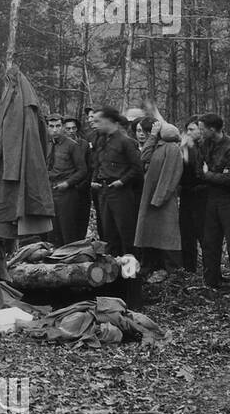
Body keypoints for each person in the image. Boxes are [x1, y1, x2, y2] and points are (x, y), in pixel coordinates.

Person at [197, 113, 230, 300]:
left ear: (212, 129)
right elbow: (199, 171)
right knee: (210, 242)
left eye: (202, 128)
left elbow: (229, 179)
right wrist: (211, 174)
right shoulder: (205, 145)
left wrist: (209, 174)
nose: (200, 132)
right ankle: (211, 282)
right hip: (212, 199)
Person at [133, 118, 183, 283]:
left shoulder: (172, 148)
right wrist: (152, 137)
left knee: (167, 234)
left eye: (145, 132)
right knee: (150, 233)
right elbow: (143, 156)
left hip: (163, 199)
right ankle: (149, 267)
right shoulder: (155, 145)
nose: (143, 135)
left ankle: (172, 272)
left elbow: (171, 175)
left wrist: (159, 198)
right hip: (150, 197)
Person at [89, 108, 143, 256]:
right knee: (109, 235)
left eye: (98, 121)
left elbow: (137, 168)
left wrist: (122, 181)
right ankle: (114, 274)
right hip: (104, 192)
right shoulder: (101, 140)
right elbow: (97, 164)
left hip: (121, 193)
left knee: (126, 234)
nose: (96, 124)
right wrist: (95, 180)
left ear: (109, 121)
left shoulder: (125, 142)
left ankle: (131, 275)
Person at [46, 114, 88, 244]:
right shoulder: (46, 144)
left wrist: (68, 183)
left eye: (58, 126)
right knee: (52, 230)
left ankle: (70, 258)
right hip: (50, 192)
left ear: (63, 127)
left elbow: (82, 170)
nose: (55, 130)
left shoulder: (72, 145)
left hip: (67, 193)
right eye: (51, 126)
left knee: (68, 230)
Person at [177, 117, 207, 274]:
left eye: (191, 129)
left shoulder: (206, 147)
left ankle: (210, 271)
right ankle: (189, 268)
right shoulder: (184, 147)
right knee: (186, 232)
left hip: (202, 194)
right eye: (187, 129)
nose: (188, 133)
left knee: (203, 232)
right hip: (186, 194)